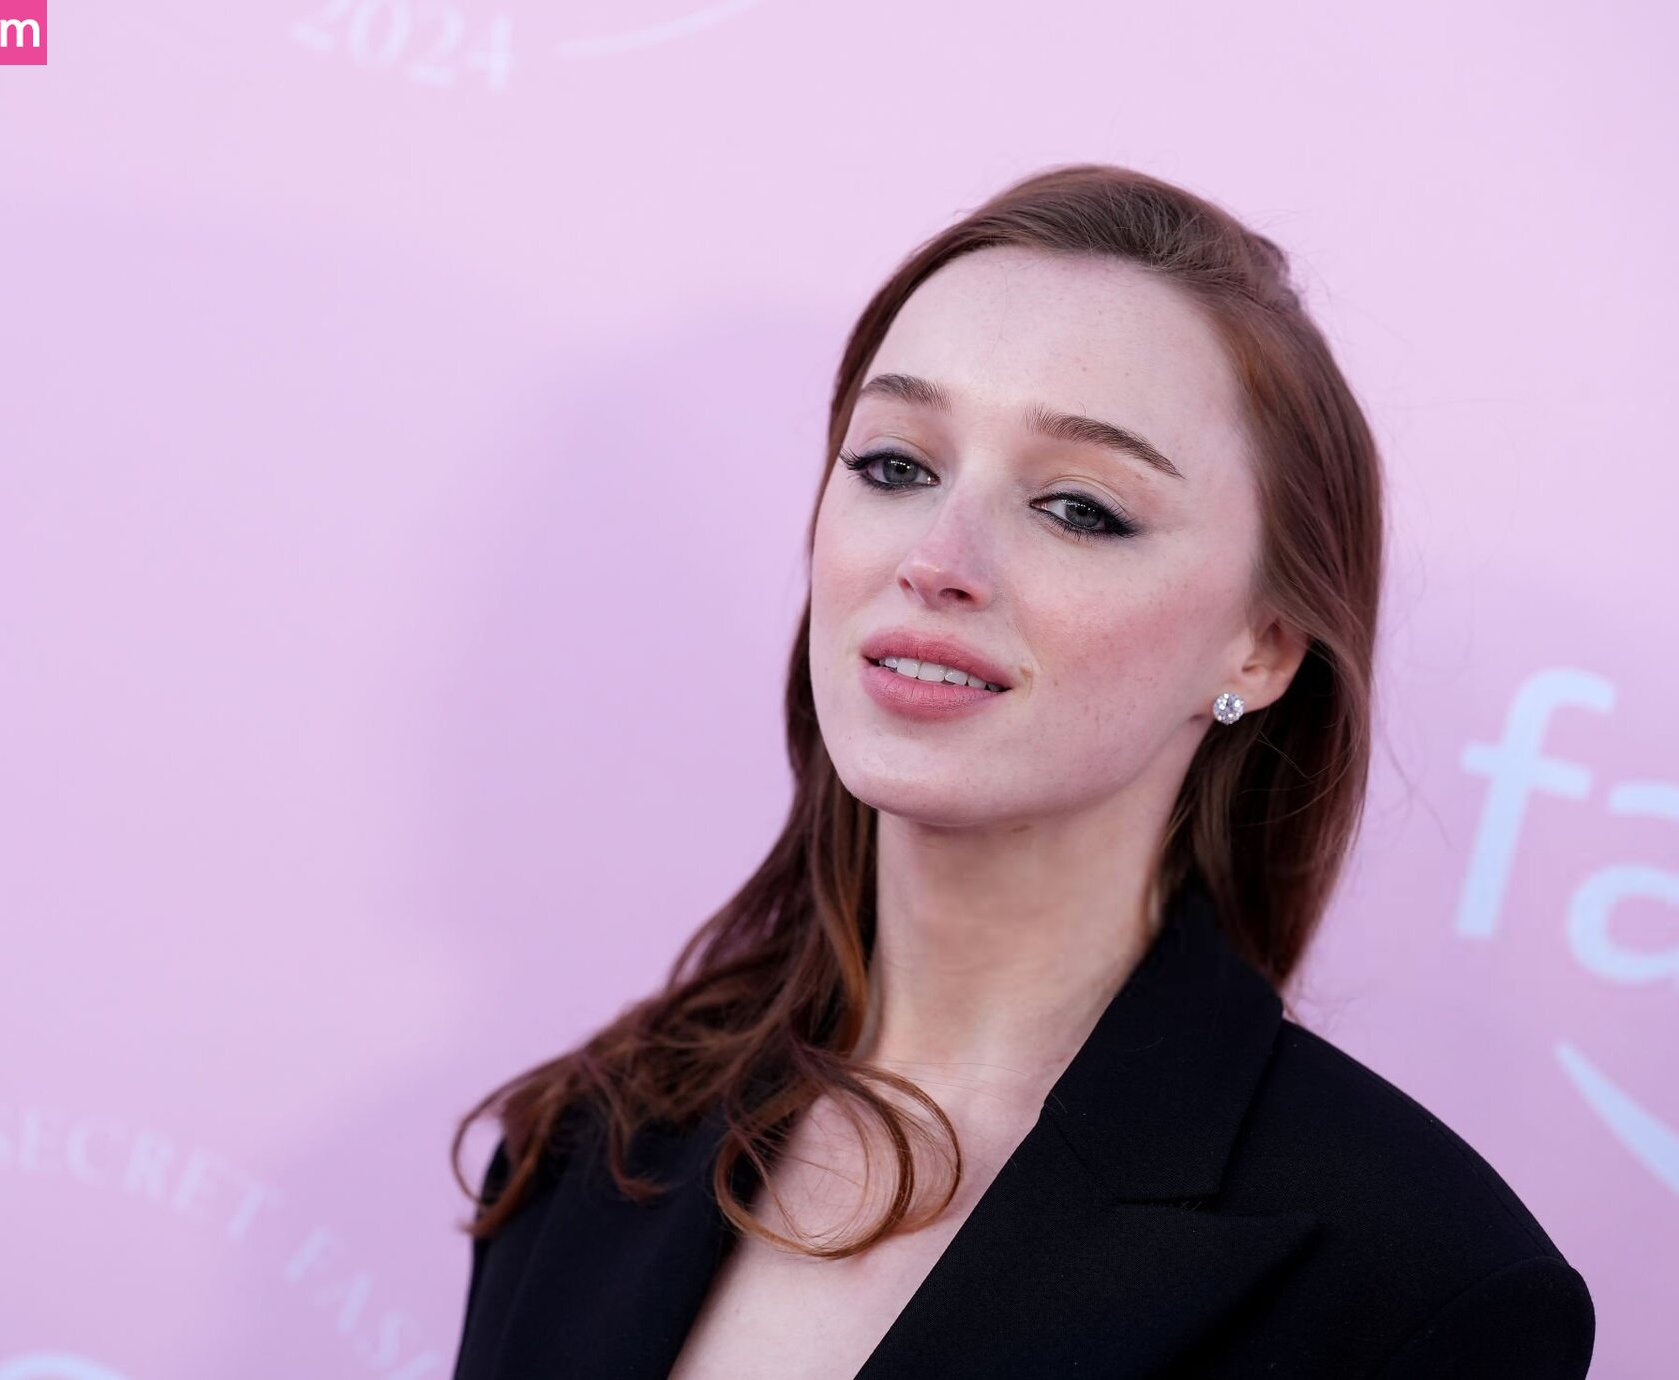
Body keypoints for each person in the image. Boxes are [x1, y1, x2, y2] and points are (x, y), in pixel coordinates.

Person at [445, 162, 1596, 1378]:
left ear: (1261, 648)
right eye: (896, 466)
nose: (938, 559)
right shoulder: (585, 1140)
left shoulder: (1419, 1287)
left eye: (1079, 507)